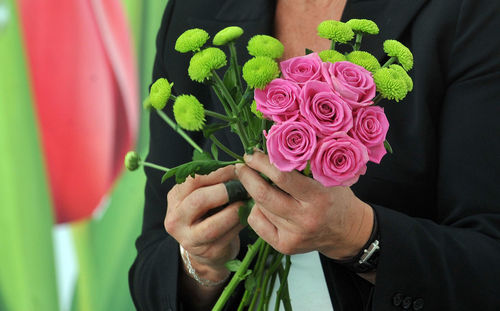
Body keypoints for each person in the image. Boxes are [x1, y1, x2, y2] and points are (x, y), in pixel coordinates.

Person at [129, 0, 500, 310]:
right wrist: (200, 265)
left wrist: (360, 237)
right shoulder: (194, 10)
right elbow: (150, 271)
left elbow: (488, 264)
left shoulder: (468, 12)